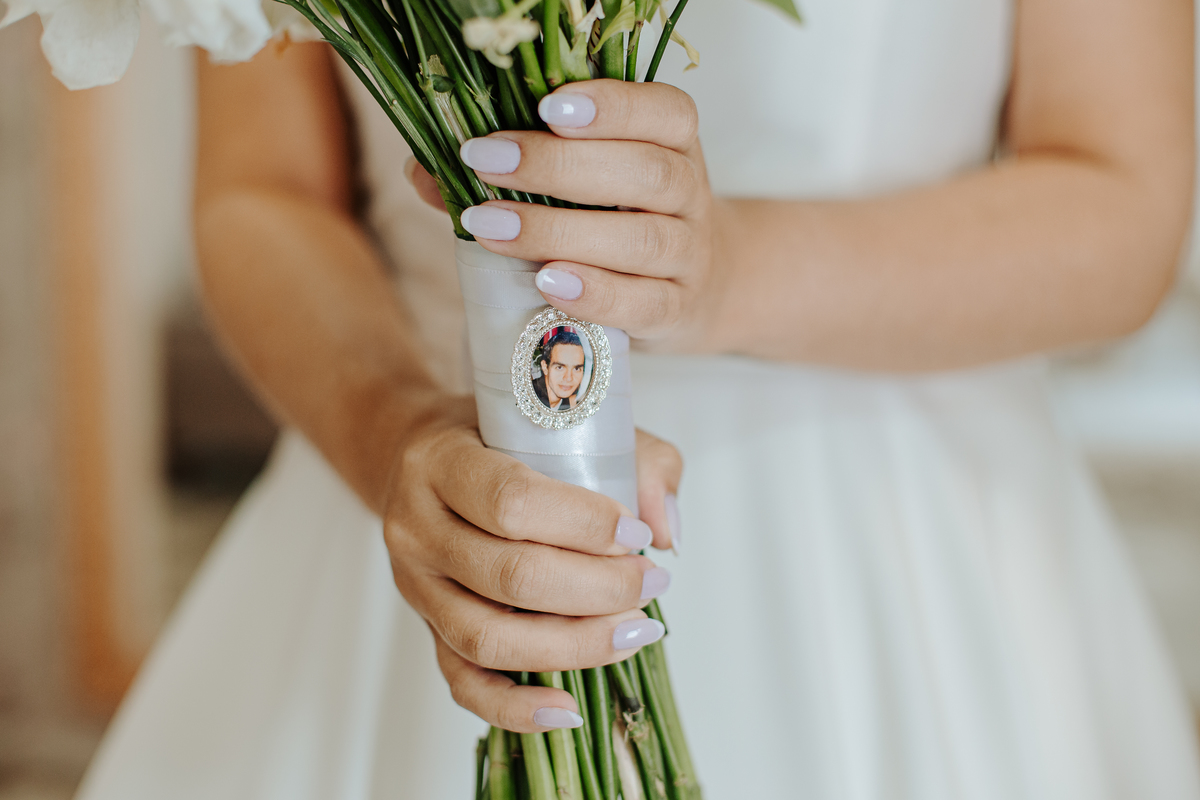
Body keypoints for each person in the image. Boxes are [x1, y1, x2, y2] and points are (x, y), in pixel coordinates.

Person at [76, 1, 1200, 798]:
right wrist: (401, 439)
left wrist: (724, 273)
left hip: (899, 548)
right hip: (438, 504)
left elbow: (1123, 204)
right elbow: (263, 187)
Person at [533, 330, 587, 411]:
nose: (568, 378)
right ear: (545, 367)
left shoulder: (576, 403)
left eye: (576, 369)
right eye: (560, 367)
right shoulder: (530, 395)